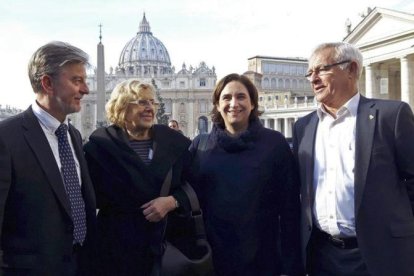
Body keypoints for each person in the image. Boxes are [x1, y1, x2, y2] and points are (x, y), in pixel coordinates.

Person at [293, 42, 414, 275]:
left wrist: (397, 225)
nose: (313, 78)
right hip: (323, 256)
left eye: (321, 69)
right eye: (310, 72)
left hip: (381, 254)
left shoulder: (391, 115)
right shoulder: (304, 127)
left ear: (351, 69)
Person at [187, 73, 302, 275]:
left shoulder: (275, 144)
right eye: (227, 97)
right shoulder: (200, 145)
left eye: (241, 97)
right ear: (217, 104)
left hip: (263, 258)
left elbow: (290, 208)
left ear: (252, 104)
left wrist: (291, 265)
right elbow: (188, 197)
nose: (234, 103)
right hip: (212, 258)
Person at [0, 41, 96, 275]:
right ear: (47, 83)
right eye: (77, 80)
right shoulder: (6, 137)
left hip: (79, 266)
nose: (86, 89)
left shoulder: (72, 134)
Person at [83, 79, 191, 275]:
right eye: (142, 102)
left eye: (152, 102)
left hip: (167, 247)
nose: (150, 108)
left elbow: (199, 185)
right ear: (121, 107)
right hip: (117, 250)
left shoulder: (175, 143)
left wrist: (172, 201)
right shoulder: (97, 148)